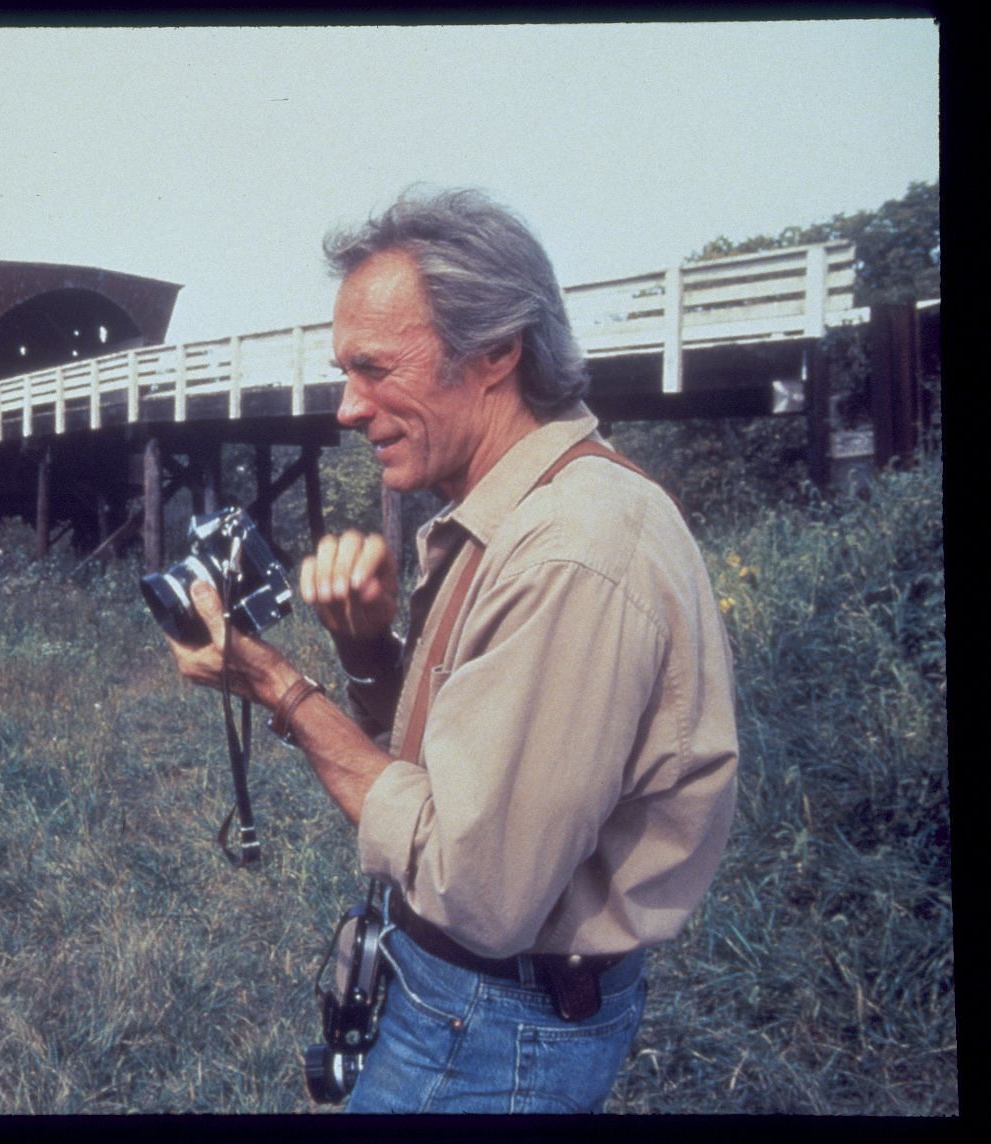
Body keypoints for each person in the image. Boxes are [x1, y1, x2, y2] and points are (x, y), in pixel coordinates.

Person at [164, 187, 738, 1114]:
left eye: (373, 368)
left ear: (498, 352)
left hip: (493, 1032)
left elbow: (477, 889)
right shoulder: (529, 509)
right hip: (469, 1005)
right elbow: (461, 769)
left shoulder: (569, 555)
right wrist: (364, 651)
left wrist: (274, 680)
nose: (348, 409)